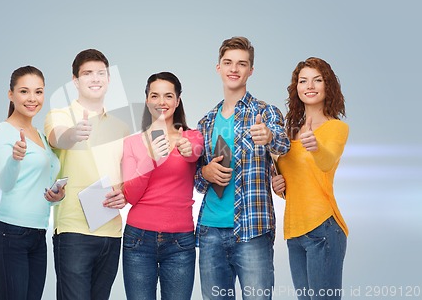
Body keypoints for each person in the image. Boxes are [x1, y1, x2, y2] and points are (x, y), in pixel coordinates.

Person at [194, 36, 290, 300]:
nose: (234, 69)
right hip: (210, 230)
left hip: (252, 230)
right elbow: (197, 180)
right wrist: (205, 173)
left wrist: (269, 136)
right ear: (219, 68)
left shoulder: (265, 112)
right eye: (228, 63)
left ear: (251, 70)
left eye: (241, 64)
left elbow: (284, 145)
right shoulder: (206, 122)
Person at [44, 49, 129, 300]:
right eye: (87, 73)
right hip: (74, 232)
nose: (95, 78)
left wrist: (123, 195)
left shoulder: (121, 126)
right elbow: (57, 137)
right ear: (75, 81)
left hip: (112, 232)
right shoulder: (59, 115)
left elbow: (124, 176)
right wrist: (74, 133)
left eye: (101, 73)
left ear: (109, 79)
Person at [121, 71, 204, 300]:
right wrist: (150, 158)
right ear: (147, 100)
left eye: (168, 96)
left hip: (180, 241)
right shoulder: (132, 143)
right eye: (155, 95)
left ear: (177, 101)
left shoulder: (192, 137)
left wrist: (187, 150)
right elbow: (131, 195)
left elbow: (194, 152)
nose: (161, 102)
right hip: (138, 239)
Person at [271, 57, 348, 300]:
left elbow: (326, 162)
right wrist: (277, 184)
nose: (310, 86)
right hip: (294, 233)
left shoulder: (336, 128)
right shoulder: (289, 132)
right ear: (297, 88)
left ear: (328, 86)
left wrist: (315, 147)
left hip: (323, 229)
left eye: (317, 80)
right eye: (303, 81)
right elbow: (293, 180)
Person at [0, 66, 65, 300]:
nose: (32, 99)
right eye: (24, 91)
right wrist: (14, 159)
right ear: (11, 95)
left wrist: (55, 197)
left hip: (38, 234)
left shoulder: (39, 135)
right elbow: (6, 183)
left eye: (38, 92)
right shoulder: (5, 130)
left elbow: (35, 187)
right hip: (9, 234)